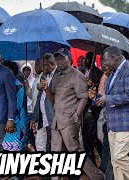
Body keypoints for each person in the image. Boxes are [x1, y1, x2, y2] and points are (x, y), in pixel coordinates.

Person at [46, 48, 104, 180]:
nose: (60, 61)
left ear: (69, 59)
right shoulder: (56, 78)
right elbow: (54, 99)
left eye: (62, 58)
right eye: (58, 59)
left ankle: (98, 177)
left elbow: (83, 97)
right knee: (56, 152)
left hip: (70, 119)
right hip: (57, 120)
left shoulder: (77, 75)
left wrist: (76, 116)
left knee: (75, 151)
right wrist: (46, 90)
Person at [96, 46, 129, 180]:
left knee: (119, 157)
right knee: (116, 162)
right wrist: (99, 98)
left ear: (115, 57)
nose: (104, 63)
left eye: (105, 60)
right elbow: (110, 96)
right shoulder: (112, 73)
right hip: (113, 123)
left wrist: (108, 98)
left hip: (127, 122)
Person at [31, 53, 59, 152]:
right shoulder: (44, 75)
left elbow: (56, 99)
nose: (42, 68)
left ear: (51, 64)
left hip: (52, 116)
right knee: (40, 142)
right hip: (41, 115)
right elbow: (39, 97)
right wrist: (34, 117)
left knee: (51, 143)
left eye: (44, 65)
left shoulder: (59, 75)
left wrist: (47, 88)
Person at [1, 61, 28, 151]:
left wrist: (11, 120)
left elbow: (19, 106)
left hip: (15, 122)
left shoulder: (18, 85)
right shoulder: (8, 83)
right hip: (8, 122)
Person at [83, 52, 103, 165]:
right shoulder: (83, 71)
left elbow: (99, 89)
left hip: (93, 109)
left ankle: (102, 162)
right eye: (85, 58)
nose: (85, 60)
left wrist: (91, 84)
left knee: (94, 138)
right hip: (85, 108)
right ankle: (91, 163)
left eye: (87, 58)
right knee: (87, 139)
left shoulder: (97, 73)